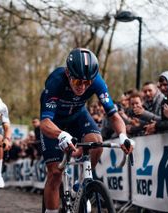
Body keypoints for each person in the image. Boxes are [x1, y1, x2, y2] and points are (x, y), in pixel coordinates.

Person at [40, 48, 134, 213]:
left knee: (96, 142)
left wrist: (122, 136)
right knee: (55, 174)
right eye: (77, 82)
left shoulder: (97, 81)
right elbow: (45, 122)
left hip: (78, 116)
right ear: (68, 74)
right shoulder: (56, 80)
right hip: (54, 122)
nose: (82, 87)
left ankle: (82, 186)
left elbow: (113, 115)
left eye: (87, 83)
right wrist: (61, 134)